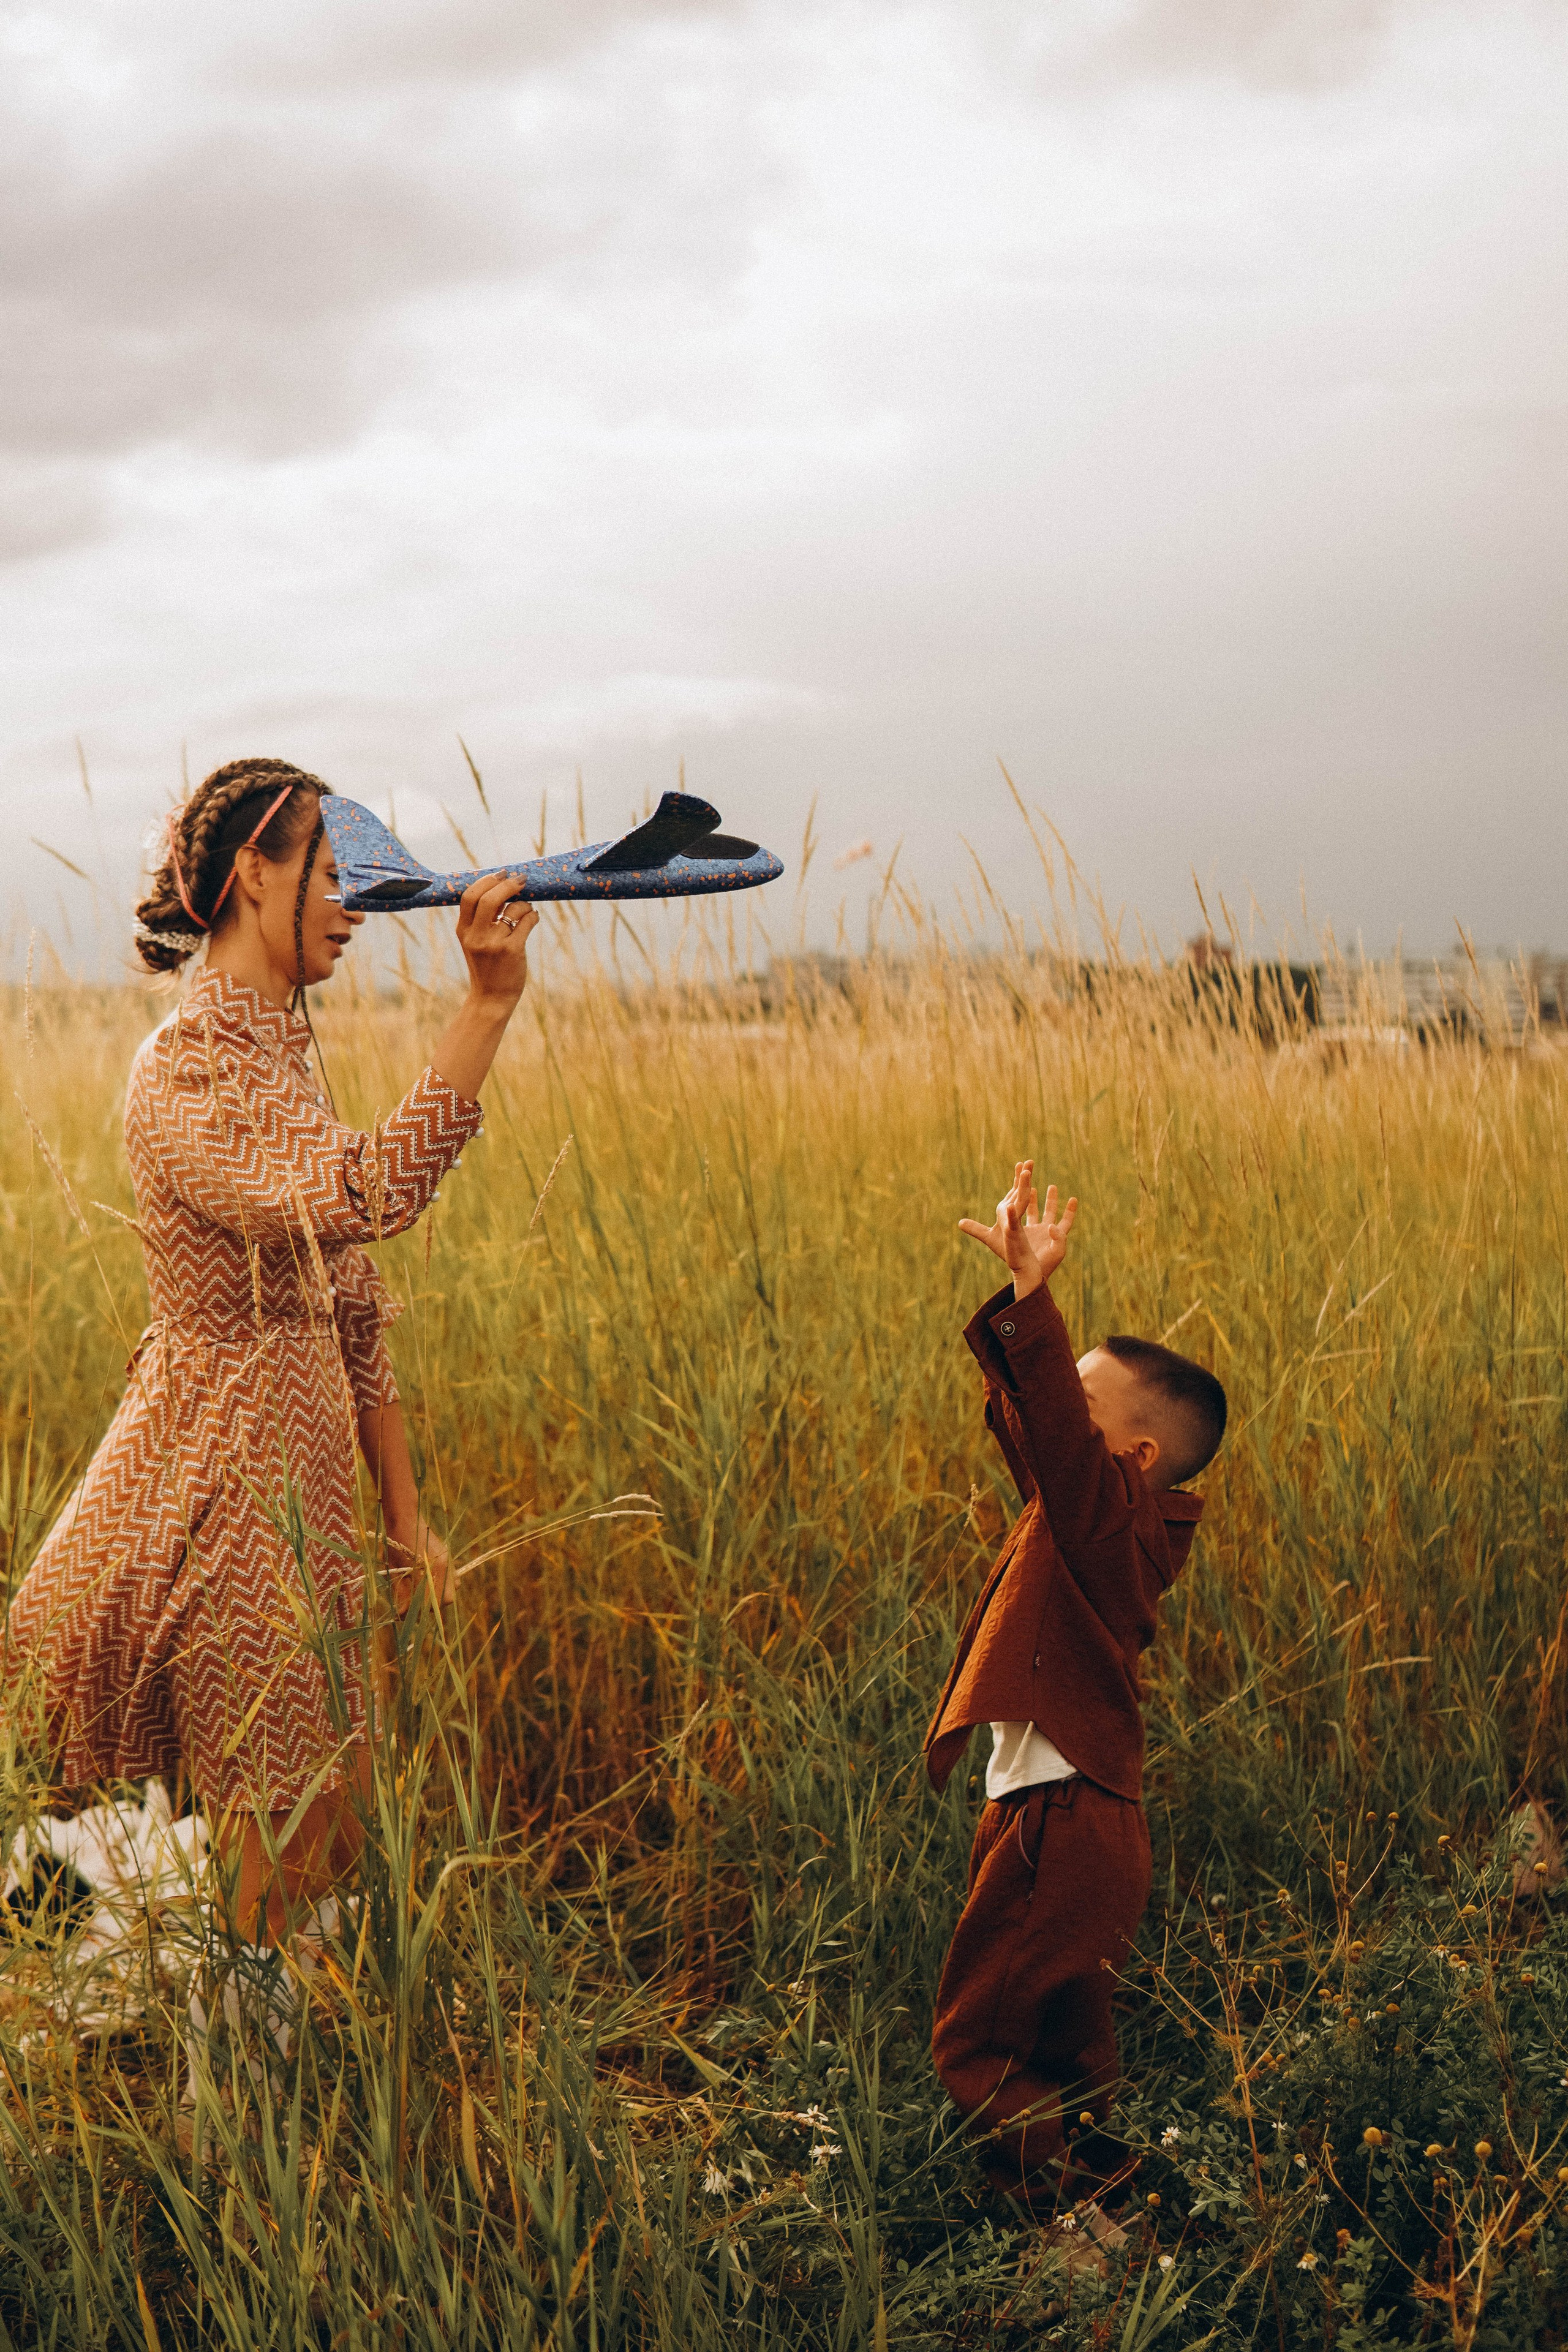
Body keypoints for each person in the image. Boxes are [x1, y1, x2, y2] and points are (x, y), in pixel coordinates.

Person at [6, 756, 538, 1964]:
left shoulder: (280, 1057)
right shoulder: (187, 1068)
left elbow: (353, 1310)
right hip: (224, 1488)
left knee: (328, 1831)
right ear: (258, 871)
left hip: (305, 1488)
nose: (355, 910)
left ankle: (265, 2037)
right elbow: (364, 1197)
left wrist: (402, 1517)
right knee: (278, 1849)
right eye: (334, 875)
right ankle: (232, 2057)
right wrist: (487, 1009)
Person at [925, 1159, 1227, 2235]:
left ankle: (1056, 2231)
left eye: (1077, 1401)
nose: (1048, 1408)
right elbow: (1035, 1426)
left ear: (1134, 1456)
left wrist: (1033, 1299)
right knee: (1065, 2042)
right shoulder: (1093, 1523)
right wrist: (1018, 1326)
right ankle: (1107, 2211)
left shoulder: (1110, 1525)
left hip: (1061, 1816)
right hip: (1071, 1813)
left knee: (980, 2041)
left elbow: (1050, 1425)